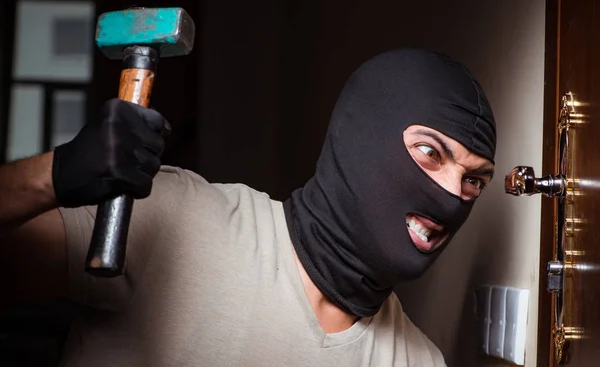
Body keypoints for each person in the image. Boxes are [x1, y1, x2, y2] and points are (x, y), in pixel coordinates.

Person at [0, 48, 496, 366]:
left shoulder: (416, 362)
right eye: (431, 153)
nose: (453, 195)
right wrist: (55, 173)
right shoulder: (179, 220)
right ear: (363, 140)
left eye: (474, 180)